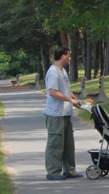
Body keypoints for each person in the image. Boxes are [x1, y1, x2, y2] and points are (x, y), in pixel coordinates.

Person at [42, 46, 83, 180]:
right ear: (64, 56)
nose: (70, 58)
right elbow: (53, 92)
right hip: (55, 115)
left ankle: (70, 171)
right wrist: (70, 99)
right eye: (69, 56)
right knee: (55, 144)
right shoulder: (53, 72)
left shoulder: (63, 71)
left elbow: (65, 89)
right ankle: (53, 172)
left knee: (68, 144)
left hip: (65, 113)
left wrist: (74, 99)